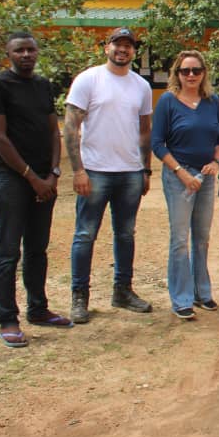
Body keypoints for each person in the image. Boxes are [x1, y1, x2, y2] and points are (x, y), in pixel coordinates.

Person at [0, 32, 71, 347]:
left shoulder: (43, 85)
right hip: (11, 179)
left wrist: (54, 173)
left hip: (44, 179)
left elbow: (53, 131)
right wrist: (32, 177)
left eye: (30, 49)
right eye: (19, 50)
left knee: (37, 248)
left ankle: (39, 309)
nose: (26, 55)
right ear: (9, 54)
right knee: (8, 251)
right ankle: (8, 319)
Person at [65, 27, 153, 324]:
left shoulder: (140, 86)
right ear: (106, 47)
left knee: (126, 234)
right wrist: (78, 169)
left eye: (128, 46)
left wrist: (146, 168)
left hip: (129, 172)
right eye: (117, 44)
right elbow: (71, 127)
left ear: (133, 52)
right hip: (95, 171)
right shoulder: (88, 80)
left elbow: (144, 131)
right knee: (85, 234)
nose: (123, 50)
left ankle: (123, 290)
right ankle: (80, 297)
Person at [151, 50, 219, 320]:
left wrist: (216, 162)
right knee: (180, 239)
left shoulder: (212, 101)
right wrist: (181, 172)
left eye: (196, 70)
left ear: (204, 73)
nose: (191, 75)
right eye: (186, 71)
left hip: (205, 177)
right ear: (177, 74)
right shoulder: (168, 102)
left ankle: (201, 292)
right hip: (178, 176)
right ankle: (181, 297)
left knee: (202, 238)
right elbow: (157, 143)